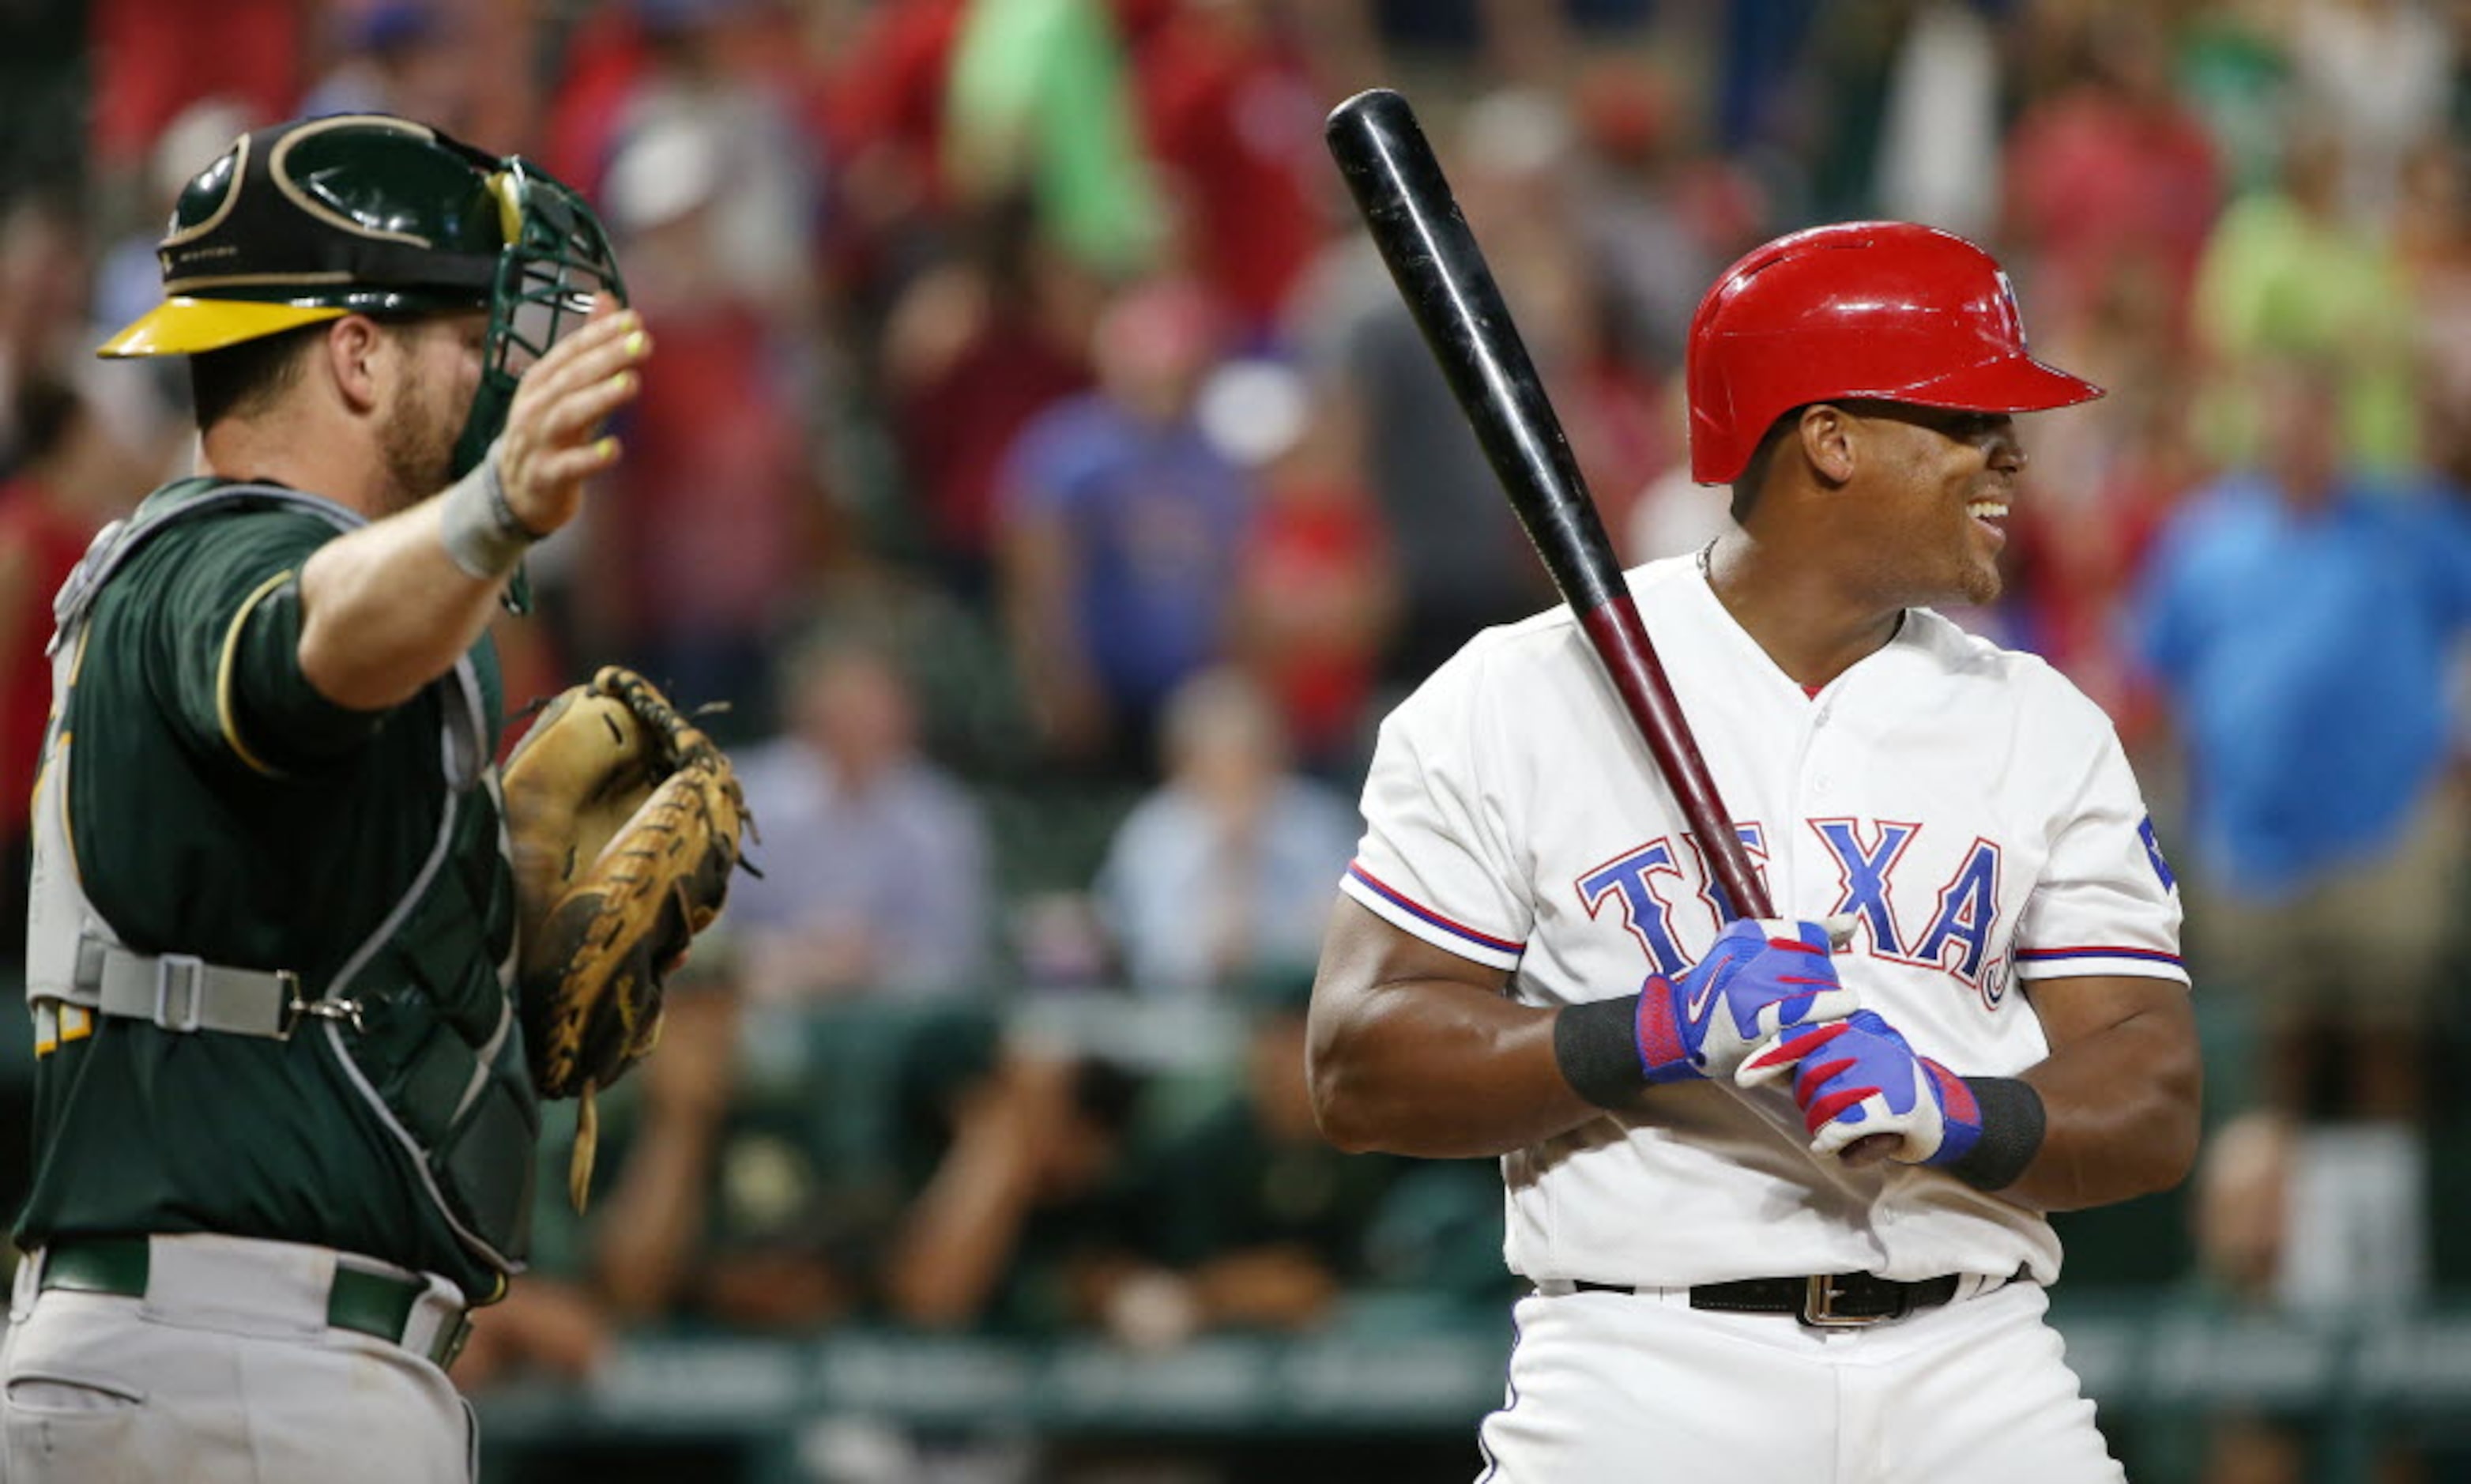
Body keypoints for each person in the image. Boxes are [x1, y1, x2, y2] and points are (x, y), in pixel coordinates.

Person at [1308, 220, 2201, 1482]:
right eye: (1966, 417)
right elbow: (1358, 1061)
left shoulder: (2042, 727)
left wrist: (1962, 1110)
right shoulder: (1514, 696)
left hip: (1974, 1364)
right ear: (1829, 440)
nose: (2010, 452)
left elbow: (2155, 1095)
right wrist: (1652, 1028)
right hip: (1642, 1368)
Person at [5, 114, 646, 1483]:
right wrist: (494, 509)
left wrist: (486, 932)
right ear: (355, 354)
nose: (495, 381)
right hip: (244, 1381)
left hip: (203, 1365)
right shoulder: (227, 551)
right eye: (467, 340)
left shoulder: (208, 563)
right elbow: (305, 642)